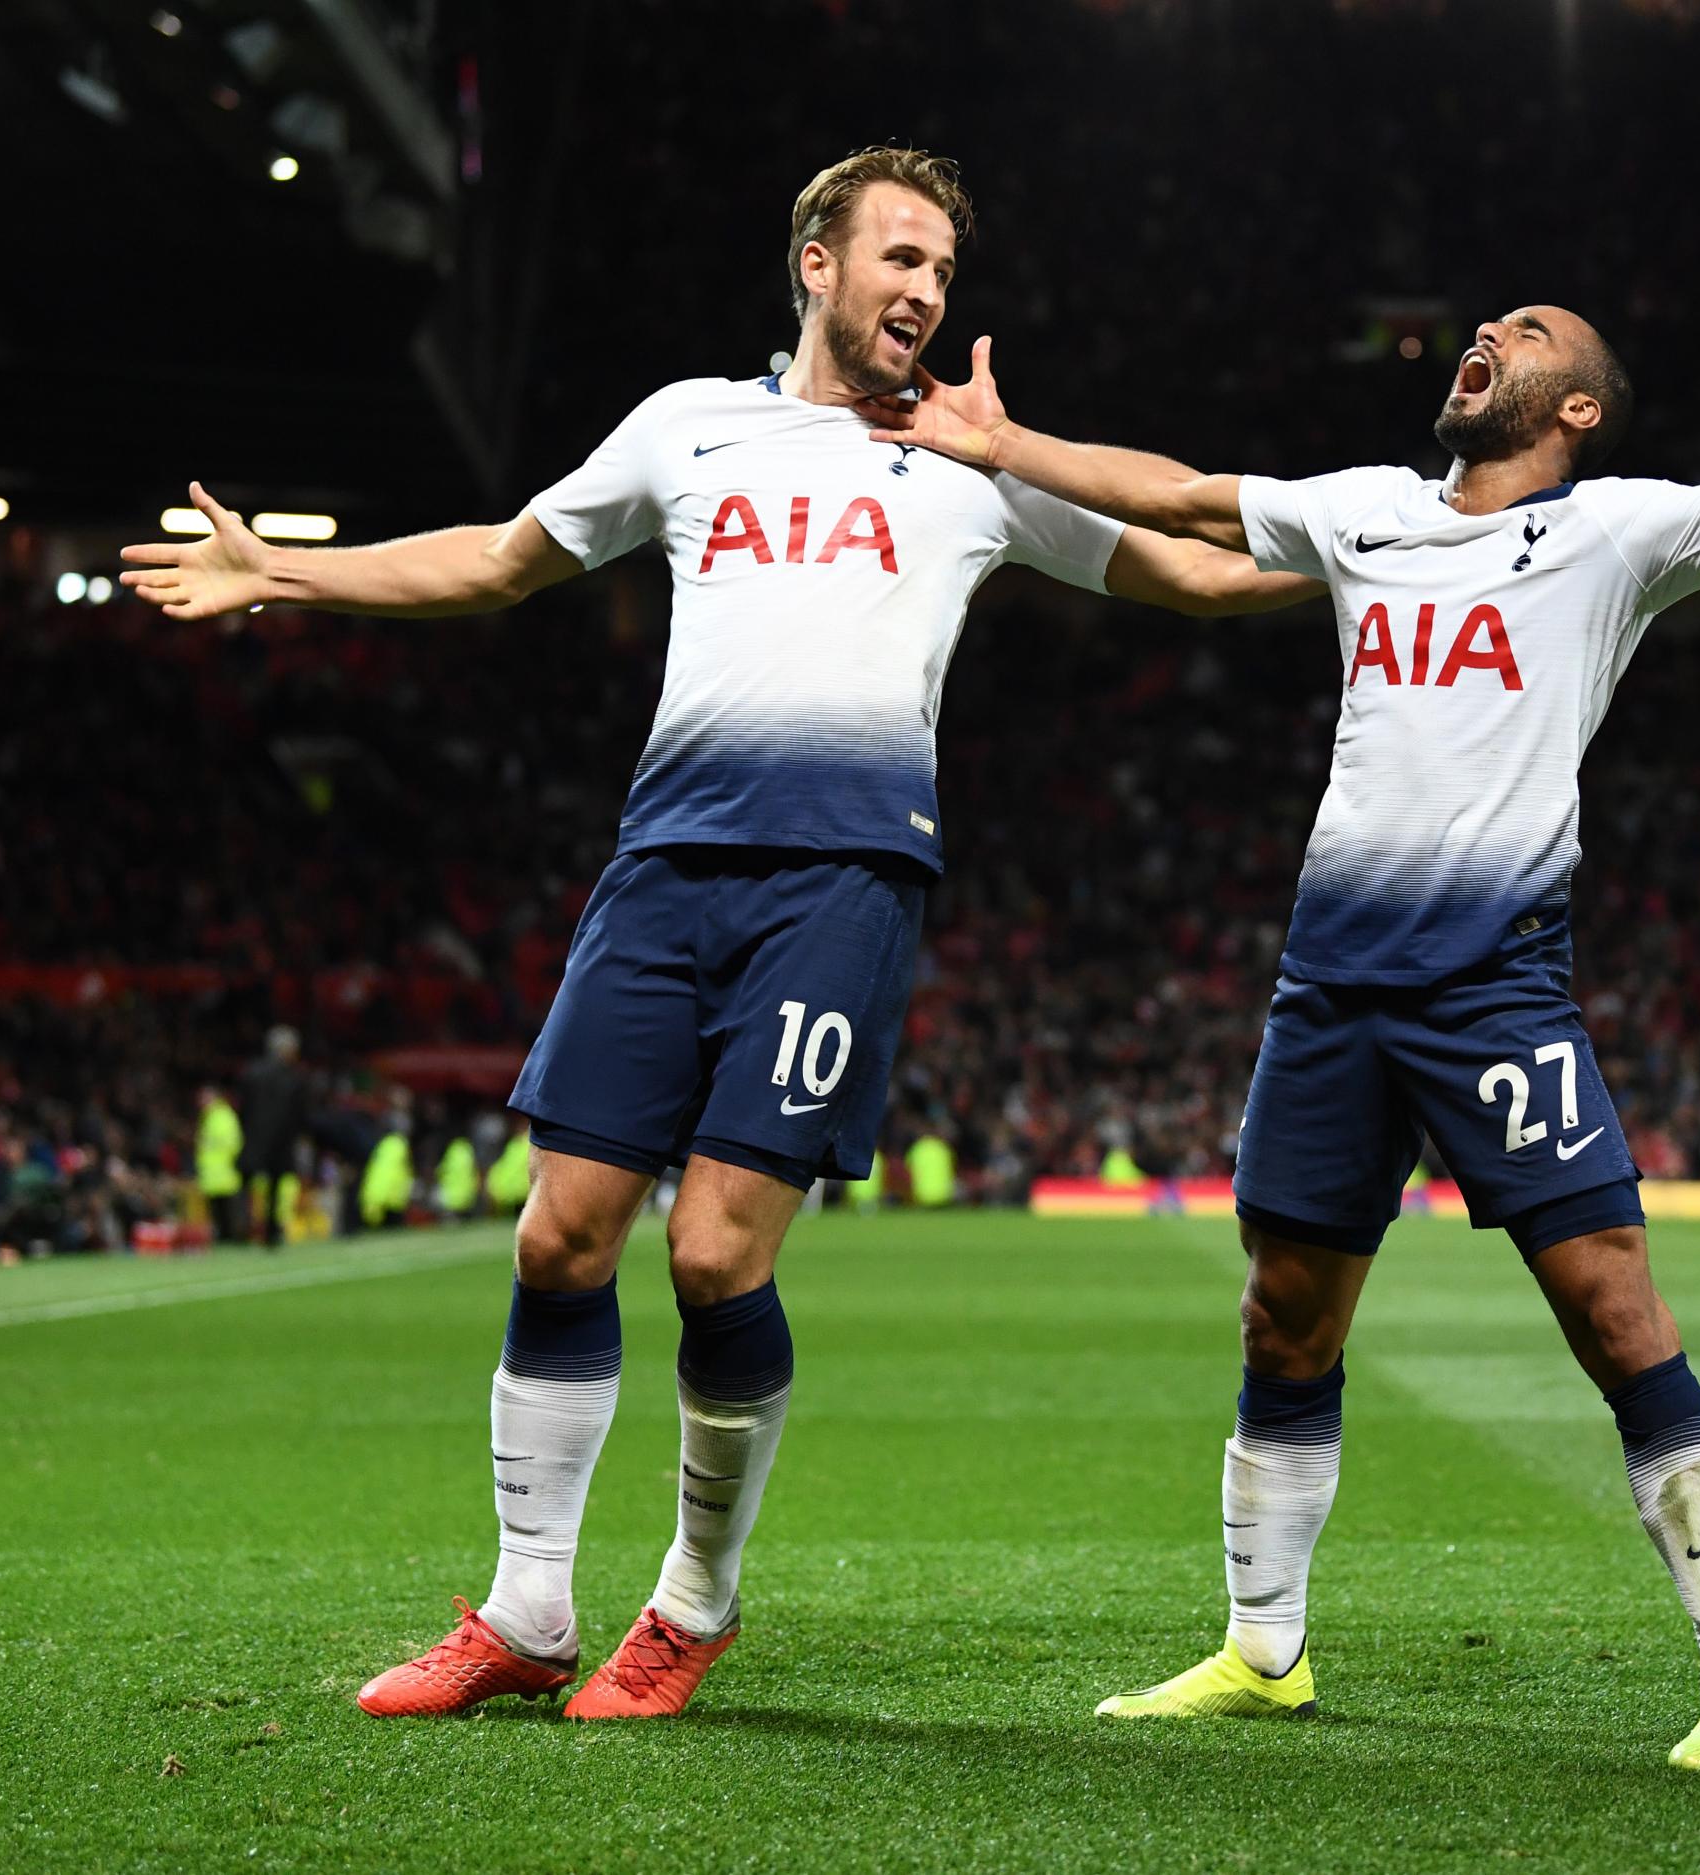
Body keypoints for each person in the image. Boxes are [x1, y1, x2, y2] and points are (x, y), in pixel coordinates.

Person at [870, 311, 1700, 1768]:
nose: (1485, 333)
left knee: (1613, 1308)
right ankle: (1264, 1650)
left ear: (1575, 408)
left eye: (1527, 333)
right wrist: (1002, 445)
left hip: (1494, 986)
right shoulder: (1368, 510)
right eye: (1488, 322)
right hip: (1332, 985)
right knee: (1284, 1313)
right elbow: (1186, 498)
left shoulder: (1617, 534)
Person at [120, 145, 1312, 1721]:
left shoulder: (976, 460)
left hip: (840, 885)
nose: (927, 294)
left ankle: (693, 1605)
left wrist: (1380, 545)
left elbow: (1192, 574)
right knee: (558, 1236)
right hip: (663, 870)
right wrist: (283, 568)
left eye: (945, 272)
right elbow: (496, 559)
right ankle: (530, 1612)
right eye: (900, 259)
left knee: (710, 1249)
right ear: (815, 262)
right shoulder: (689, 426)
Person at [235, 1027, 311, 1250]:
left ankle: (241, 1228)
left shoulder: (251, 1072)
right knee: (274, 1188)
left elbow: (242, 1107)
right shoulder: (293, 1077)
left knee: (245, 1183)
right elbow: (299, 1114)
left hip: (253, 1137)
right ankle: (270, 1232)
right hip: (280, 1140)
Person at [195, 1085, 246, 1243]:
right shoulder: (209, 1116)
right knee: (218, 1213)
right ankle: (224, 1237)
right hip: (212, 1174)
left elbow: (233, 1143)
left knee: (230, 1211)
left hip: (225, 1172)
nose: (200, 1101)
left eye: (204, 1097)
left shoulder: (223, 1116)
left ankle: (236, 1238)